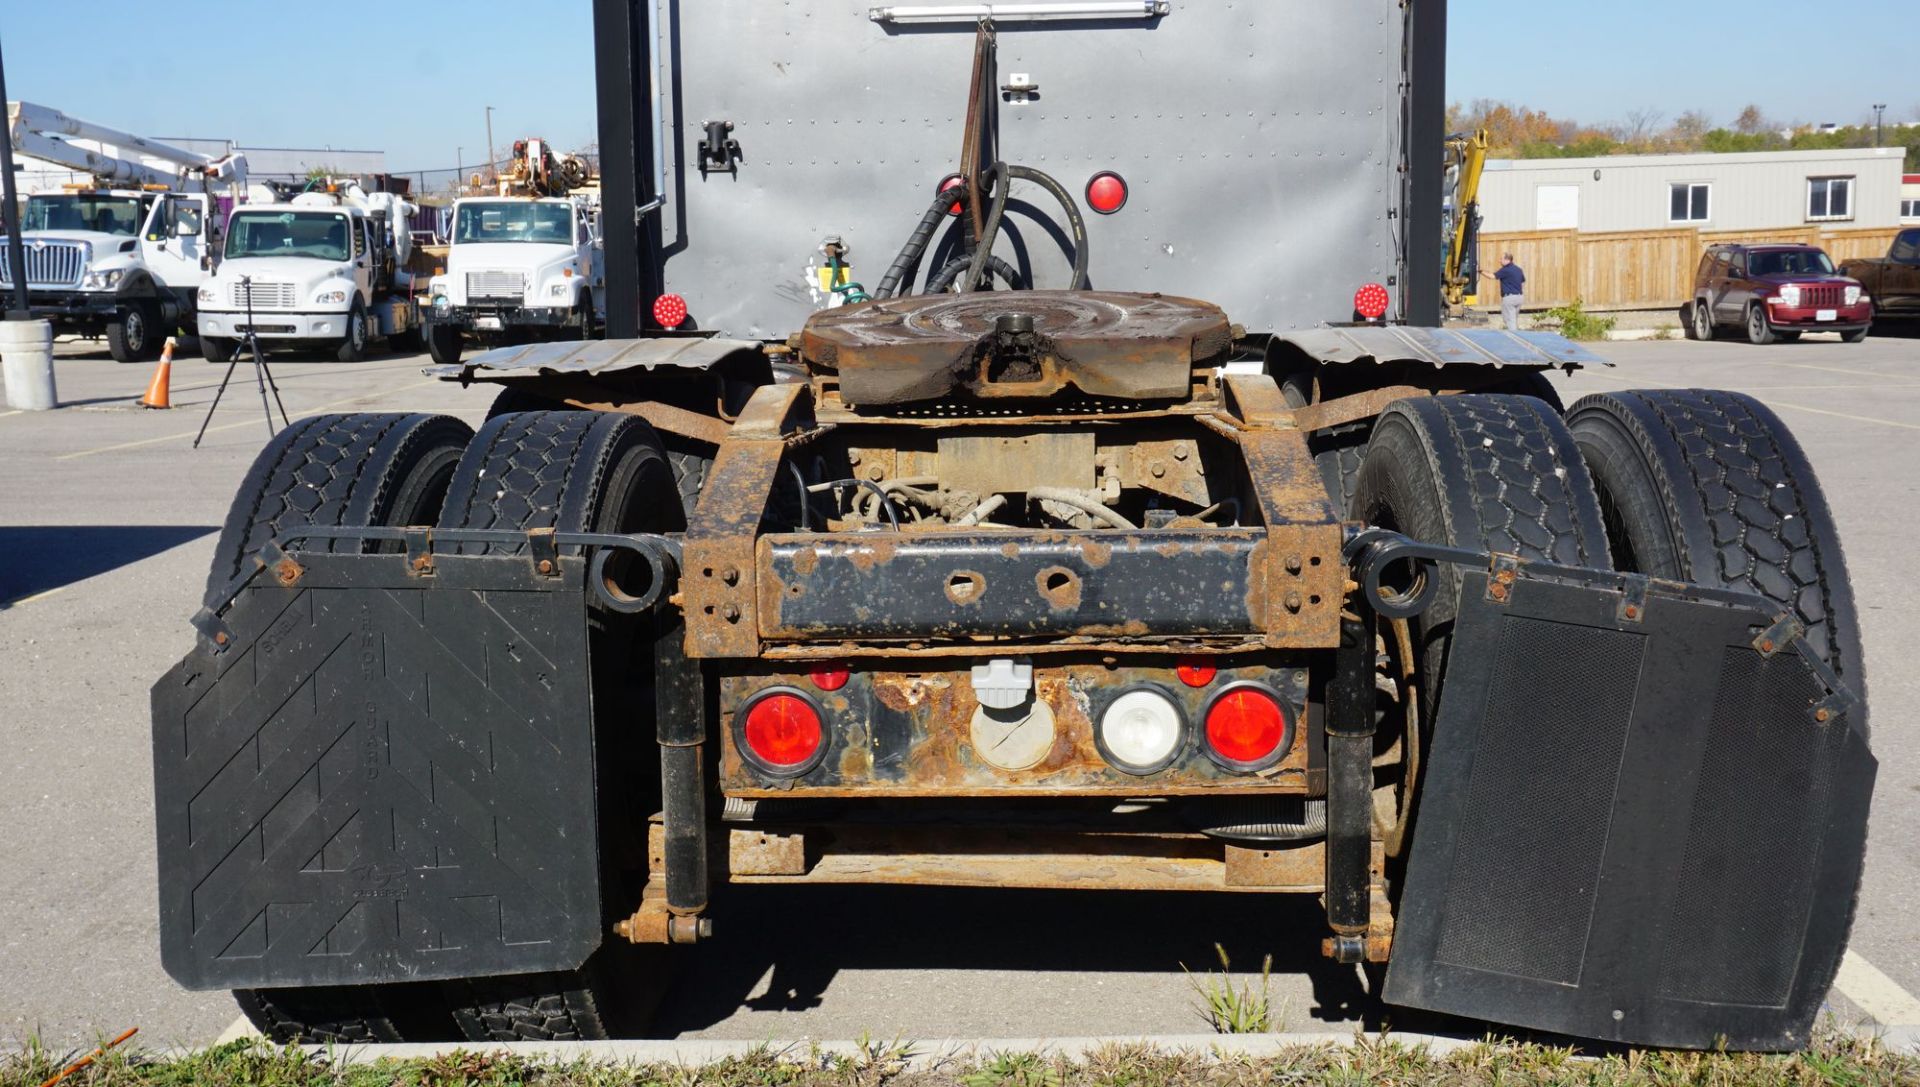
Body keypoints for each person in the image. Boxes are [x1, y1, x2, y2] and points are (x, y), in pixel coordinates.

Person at [1483, 252, 1525, 331]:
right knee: (1513, 319)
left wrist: (1480, 271)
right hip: (1519, 297)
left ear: (1507, 260)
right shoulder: (1518, 269)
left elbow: (1492, 276)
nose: (1499, 261)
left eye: (1501, 259)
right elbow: (1522, 281)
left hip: (1509, 298)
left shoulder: (1505, 270)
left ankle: (1514, 337)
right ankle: (1516, 334)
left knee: (1509, 320)